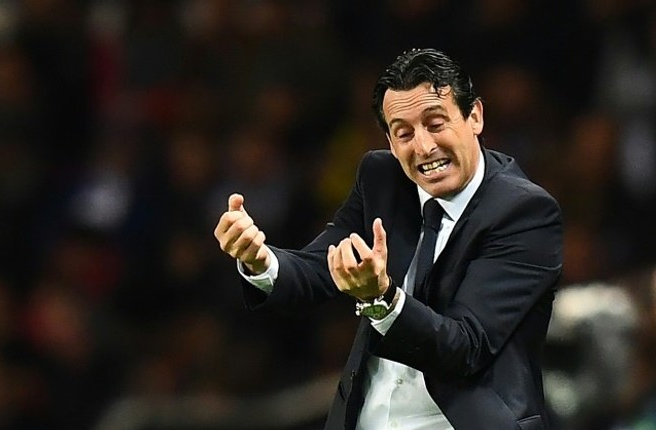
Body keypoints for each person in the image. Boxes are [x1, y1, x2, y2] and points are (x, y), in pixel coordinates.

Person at [214, 48, 563, 430]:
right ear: (391, 142)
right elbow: (319, 266)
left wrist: (381, 299)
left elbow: (465, 346)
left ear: (474, 116)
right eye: (404, 133)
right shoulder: (381, 178)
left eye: (435, 123)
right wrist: (260, 259)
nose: (424, 147)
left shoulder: (524, 213)